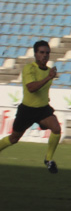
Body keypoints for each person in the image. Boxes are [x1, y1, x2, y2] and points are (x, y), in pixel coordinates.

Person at [0, 40, 63, 172]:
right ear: (35, 54)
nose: (45, 55)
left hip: (42, 109)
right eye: (41, 52)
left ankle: (48, 159)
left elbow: (43, 90)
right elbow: (31, 88)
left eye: (47, 53)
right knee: (14, 138)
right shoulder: (29, 68)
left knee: (56, 128)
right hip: (27, 110)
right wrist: (48, 78)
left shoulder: (49, 71)